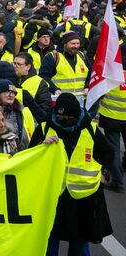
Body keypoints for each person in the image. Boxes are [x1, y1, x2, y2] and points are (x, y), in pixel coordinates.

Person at [29, 94, 113, 256]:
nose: (65, 120)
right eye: (61, 117)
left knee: (80, 244)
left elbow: (108, 153)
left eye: (69, 117)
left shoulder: (91, 129)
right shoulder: (45, 128)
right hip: (52, 196)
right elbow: (29, 155)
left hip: (84, 198)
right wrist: (40, 145)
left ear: (77, 115)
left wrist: (105, 175)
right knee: (49, 241)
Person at [98, 42, 126, 193]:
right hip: (116, 117)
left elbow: (99, 92)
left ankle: (117, 182)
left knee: (114, 150)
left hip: (111, 117)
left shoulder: (110, 73)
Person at [40, 31, 89, 100]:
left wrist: (87, 86)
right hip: (59, 100)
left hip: (80, 100)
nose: (76, 46)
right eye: (73, 43)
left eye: (78, 43)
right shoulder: (52, 57)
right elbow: (43, 76)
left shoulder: (82, 56)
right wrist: (55, 90)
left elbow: (90, 74)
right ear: (65, 44)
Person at [14, 52, 52, 123]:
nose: (15, 66)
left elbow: (45, 107)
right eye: (14, 63)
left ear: (28, 67)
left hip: (31, 122)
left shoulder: (39, 82)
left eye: (19, 64)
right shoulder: (11, 80)